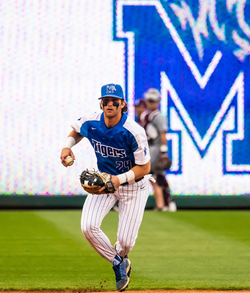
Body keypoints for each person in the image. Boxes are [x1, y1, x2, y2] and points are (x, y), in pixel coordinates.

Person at [60, 83, 151, 292]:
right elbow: (76, 130)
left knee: (126, 243)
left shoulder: (133, 131)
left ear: (122, 104)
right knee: (88, 226)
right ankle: (118, 263)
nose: (110, 104)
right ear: (101, 103)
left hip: (133, 186)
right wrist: (67, 147)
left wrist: (120, 179)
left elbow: (145, 167)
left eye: (114, 101)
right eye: (106, 100)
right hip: (104, 182)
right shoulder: (92, 121)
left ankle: (122, 256)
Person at [140, 88, 176, 212]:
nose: (151, 103)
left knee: (149, 173)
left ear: (158, 102)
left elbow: (162, 135)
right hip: (148, 147)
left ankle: (164, 202)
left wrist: (163, 152)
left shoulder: (158, 116)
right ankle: (165, 202)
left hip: (154, 148)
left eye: (153, 101)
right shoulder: (147, 115)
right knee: (157, 175)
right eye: (149, 101)